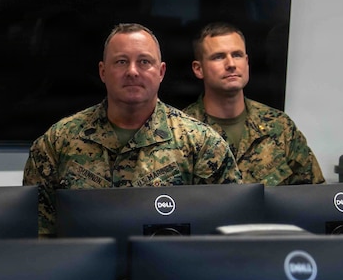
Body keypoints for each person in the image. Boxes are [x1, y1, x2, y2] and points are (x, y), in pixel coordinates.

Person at [24, 23, 241, 238]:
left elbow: (227, 237)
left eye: (144, 62)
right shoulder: (58, 142)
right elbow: (38, 238)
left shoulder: (202, 144)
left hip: (169, 271)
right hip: (81, 270)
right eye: (121, 62)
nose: (132, 72)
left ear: (161, 72)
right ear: (103, 71)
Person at [183, 22, 324, 185]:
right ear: (198, 69)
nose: (231, 64)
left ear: (247, 62)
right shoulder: (183, 133)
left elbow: (314, 196)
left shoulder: (279, 126)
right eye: (219, 57)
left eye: (237, 55)